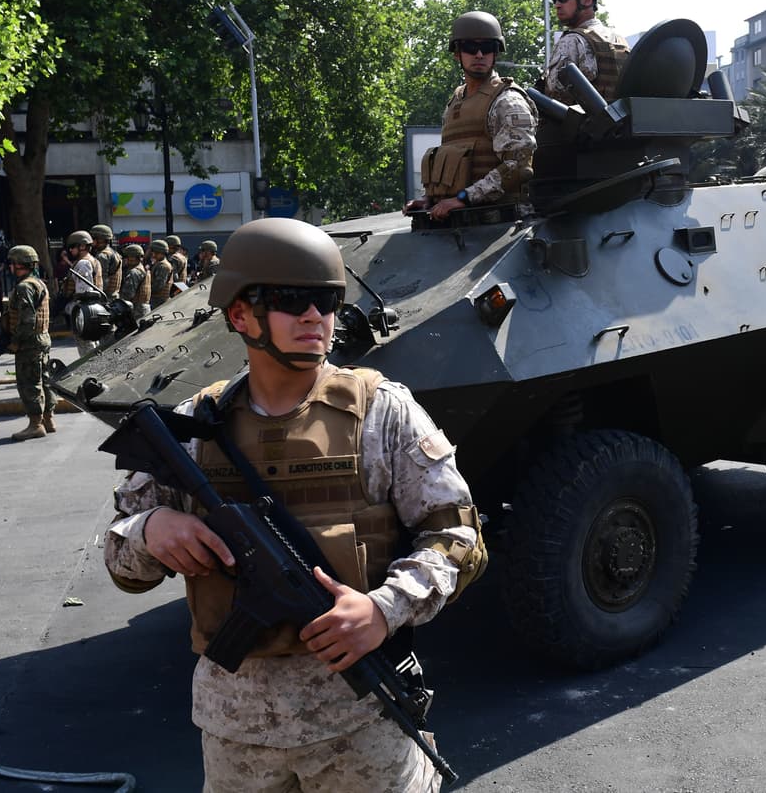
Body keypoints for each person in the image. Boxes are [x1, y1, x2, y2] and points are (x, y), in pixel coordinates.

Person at [103, 217, 483, 792]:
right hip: (236, 733)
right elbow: (122, 564)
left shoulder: (382, 411)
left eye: (326, 301)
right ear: (239, 315)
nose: (314, 317)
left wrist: (384, 609)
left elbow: (457, 538)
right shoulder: (193, 427)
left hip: (361, 720)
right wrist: (150, 529)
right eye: (289, 300)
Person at [403, 12, 537, 223]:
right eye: (470, 47)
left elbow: (519, 167)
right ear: (457, 53)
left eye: (488, 47)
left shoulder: (507, 101)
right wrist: (431, 198)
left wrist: (463, 199)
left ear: (496, 53)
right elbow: (453, 165)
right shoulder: (456, 102)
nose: (479, 54)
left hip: (501, 224)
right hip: (460, 224)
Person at [542, 0, 629, 105]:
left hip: (582, 119)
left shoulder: (572, 40)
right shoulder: (620, 41)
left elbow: (554, 96)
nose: (557, 4)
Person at [3, 245, 56, 440]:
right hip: (41, 339)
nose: (10, 267)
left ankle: (35, 424)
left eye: (12, 263)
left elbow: (27, 319)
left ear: (18, 264)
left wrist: (16, 342)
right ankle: (48, 420)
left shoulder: (24, 287)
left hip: (29, 343)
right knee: (44, 381)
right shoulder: (38, 283)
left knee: (29, 383)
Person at [66, 230, 103, 357]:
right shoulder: (93, 260)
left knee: (87, 351)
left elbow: (84, 292)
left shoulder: (83, 263)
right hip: (92, 310)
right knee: (93, 347)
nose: (70, 250)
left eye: (73, 246)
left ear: (82, 246)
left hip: (84, 313)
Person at [119, 243, 152, 320]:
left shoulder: (134, 272)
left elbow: (127, 294)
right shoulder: (143, 269)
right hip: (144, 308)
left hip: (136, 310)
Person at [91, 224, 123, 297]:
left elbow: (102, 280)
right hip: (112, 296)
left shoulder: (102, 256)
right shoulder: (113, 253)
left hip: (105, 297)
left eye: (94, 238)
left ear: (100, 239)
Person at [148, 239, 175, 309]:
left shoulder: (163, 266)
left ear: (160, 252)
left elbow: (158, 287)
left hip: (159, 302)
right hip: (156, 300)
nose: (153, 254)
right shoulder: (158, 264)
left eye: (154, 252)